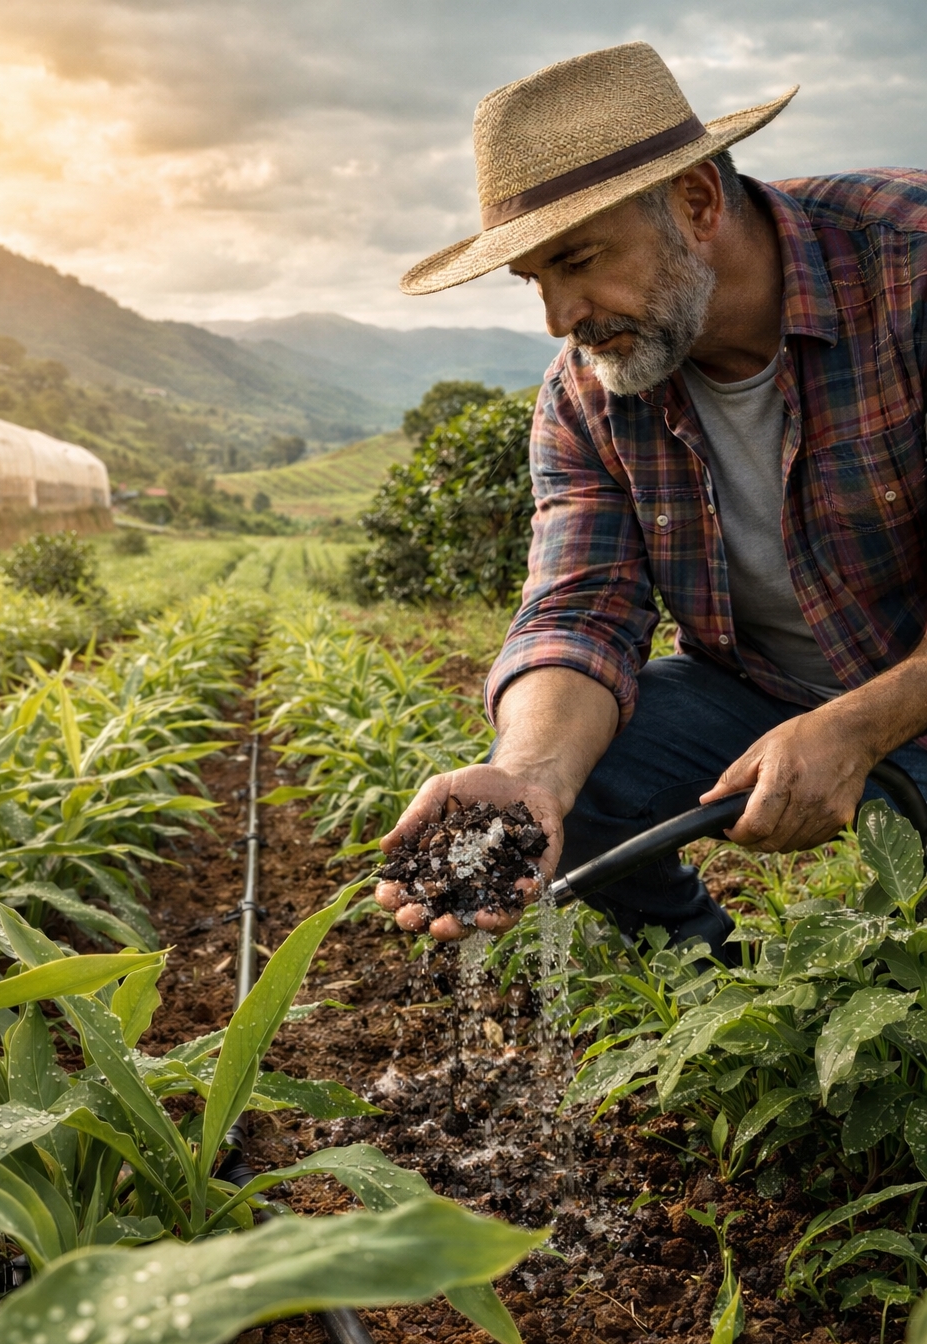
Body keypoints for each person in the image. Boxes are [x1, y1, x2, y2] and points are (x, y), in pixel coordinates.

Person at [375, 42, 927, 952]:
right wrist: (529, 776)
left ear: (699, 201)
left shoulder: (906, 270)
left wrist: (863, 725)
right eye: (536, 280)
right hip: (765, 689)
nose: (560, 317)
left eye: (580, 260)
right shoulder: (588, 392)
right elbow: (580, 606)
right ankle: (722, 988)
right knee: (581, 781)